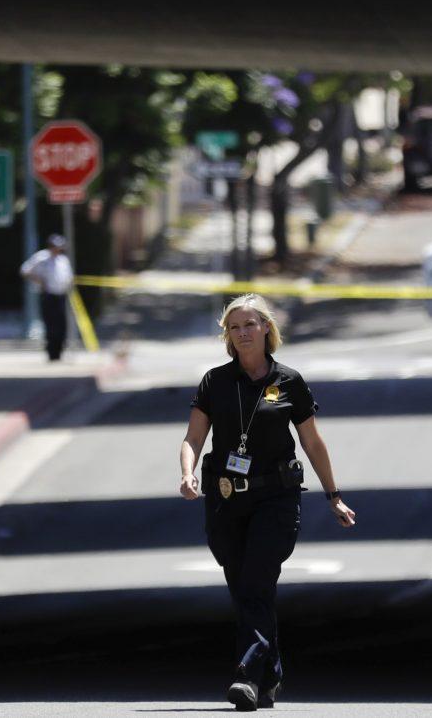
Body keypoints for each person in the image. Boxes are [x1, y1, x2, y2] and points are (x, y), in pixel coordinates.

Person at [178, 294, 356, 712]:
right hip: (224, 499)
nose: (242, 333)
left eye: (250, 325)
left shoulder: (288, 382)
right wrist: (186, 473)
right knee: (245, 589)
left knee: (256, 582)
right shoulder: (215, 382)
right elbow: (193, 438)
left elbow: (312, 441)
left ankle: (246, 676)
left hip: (275, 497)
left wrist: (333, 495)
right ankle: (270, 672)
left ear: (266, 330)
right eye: (234, 327)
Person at [20, 234, 74, 361]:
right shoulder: (41, 257)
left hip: (61, 295)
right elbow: (25, 270)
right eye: (55, 247)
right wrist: (39, 281)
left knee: (62, 325)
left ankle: (60, 351)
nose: (57, 249)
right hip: (49, 295)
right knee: (51, 325)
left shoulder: (63, 260)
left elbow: (69, 277)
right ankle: (52, 353)